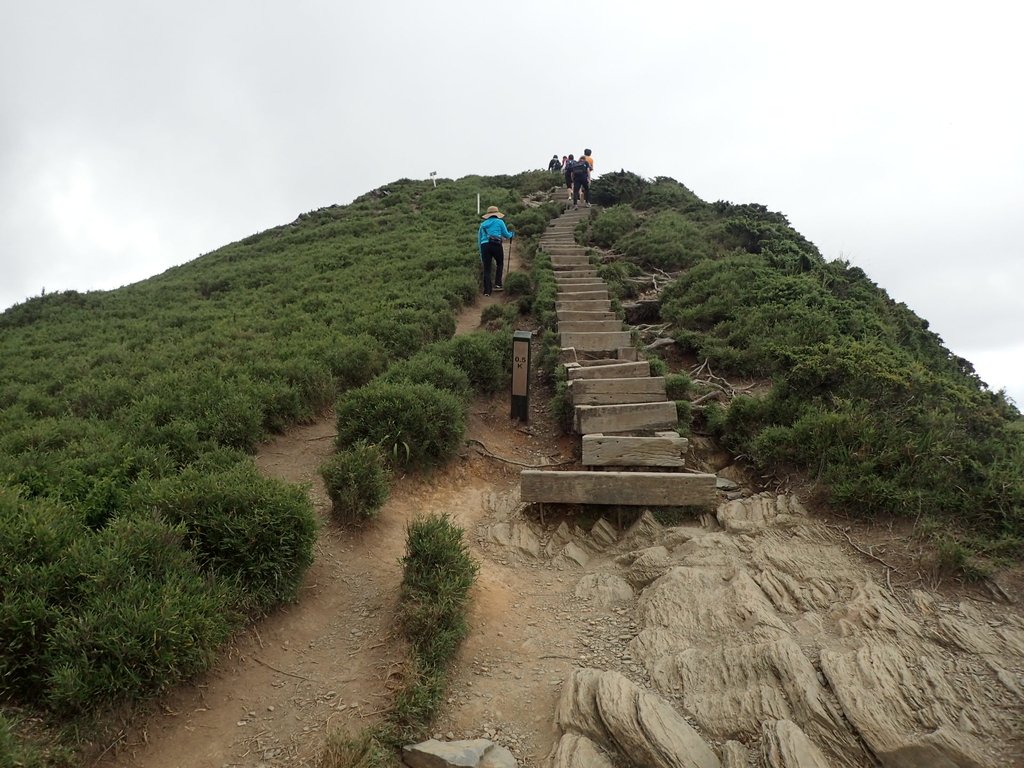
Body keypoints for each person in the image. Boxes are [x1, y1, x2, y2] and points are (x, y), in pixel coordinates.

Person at [478, 205, 514, 296]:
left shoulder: (482, 225)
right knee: (500, 263)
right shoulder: (500, 222)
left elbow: (479, 239)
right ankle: (498, 283)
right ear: (497, 214)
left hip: (484, 246)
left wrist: (481, 252)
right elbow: (506, 235)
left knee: (487, 269)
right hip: (496, 245)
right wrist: (511, 234)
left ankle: (487, 291)